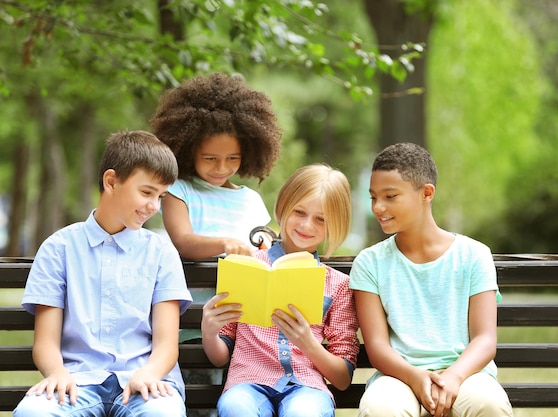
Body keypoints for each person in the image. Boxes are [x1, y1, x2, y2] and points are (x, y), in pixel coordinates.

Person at [13, 131, 193, 417]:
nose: (154, 206)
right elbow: (46, 340)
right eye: (146, 192)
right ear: (111, 181)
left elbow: (167, 344)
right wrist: (56, 372)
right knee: (32, 413)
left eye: (160, 196)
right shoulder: (59, 248)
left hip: (145, 384)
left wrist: (150, 373)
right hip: (76, 383)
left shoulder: (161, 253)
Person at [349, 143, 514, 417]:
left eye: (390, 196)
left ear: (426, 193)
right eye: (373, 197)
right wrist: (416, 377)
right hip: (399, 377)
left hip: (467, 374)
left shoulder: (474, 255)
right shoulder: (370, 263)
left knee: (489, 404)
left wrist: (453, 377)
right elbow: (377, 347)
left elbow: (484, 339)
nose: (378, 207)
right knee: (380, 409)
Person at [201, 164, 361, 417]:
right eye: (299, 212)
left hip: (306, 389)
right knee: (236, 408)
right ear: (284, 206)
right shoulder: (248, 266)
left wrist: (308, 344)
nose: (307, 225)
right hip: (247, 384)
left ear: (335, 225)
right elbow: (219, 358)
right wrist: (210, 333)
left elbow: (342, 379)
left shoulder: (336, 284)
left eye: (321, 219)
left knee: (304, 412)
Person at [150, 72, 282, 261]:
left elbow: (260, 249)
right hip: (191, 290)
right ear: (189, 151)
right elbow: (184, 243)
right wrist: (224, 244)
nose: (221, 168)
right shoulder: (178, 191)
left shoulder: (251, 201)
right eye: (210, 158)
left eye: (232, 158)